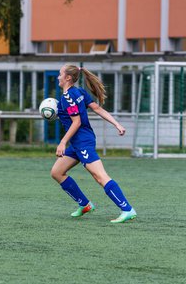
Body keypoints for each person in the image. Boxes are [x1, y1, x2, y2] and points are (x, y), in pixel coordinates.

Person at [51, 64, 137, 223]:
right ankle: (84, 204)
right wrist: (116, 124)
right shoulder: (79, 92)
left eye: (60, 74)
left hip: (82, 142)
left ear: (68, 78)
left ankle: (127, 209)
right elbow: (97, 108)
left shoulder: (67, 97)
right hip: (79, 143)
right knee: (57, 172)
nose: (58, 77)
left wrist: (62, 142)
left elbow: (76, 122)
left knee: (100, 176)